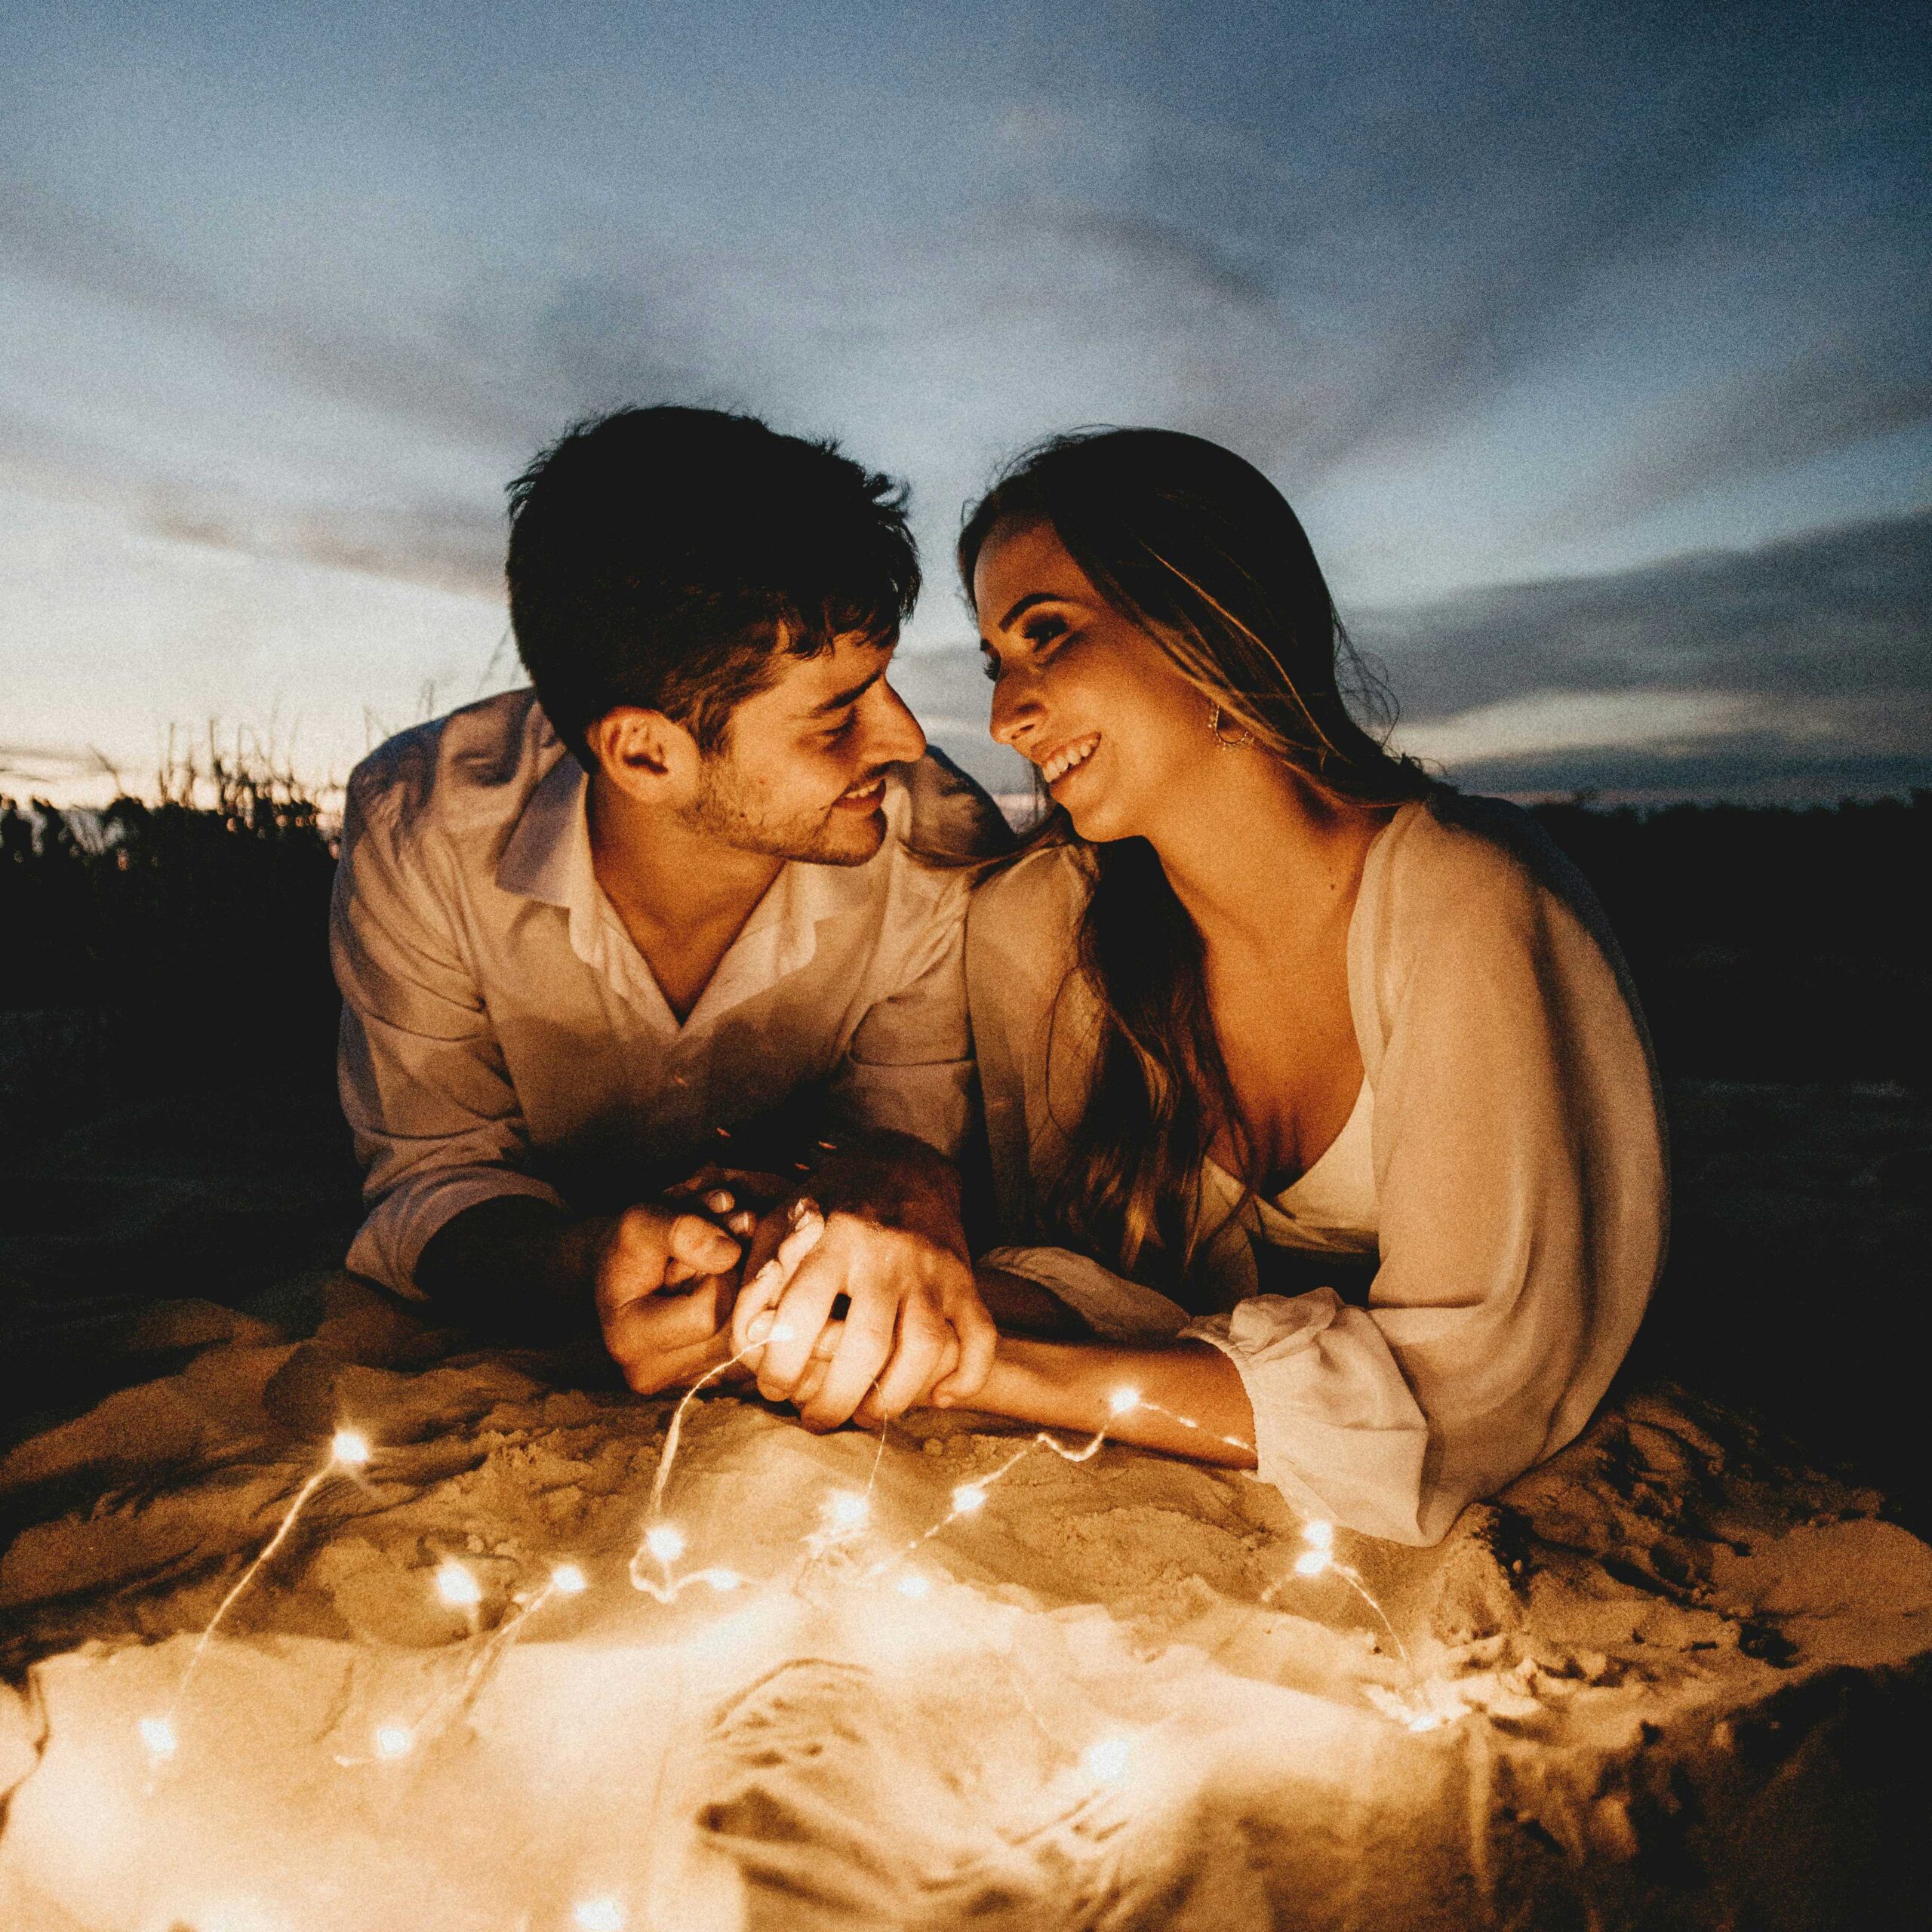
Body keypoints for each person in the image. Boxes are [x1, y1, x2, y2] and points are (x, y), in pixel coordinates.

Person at [746, 426, 1663, 1546]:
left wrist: (992, 1368)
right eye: (997, 664)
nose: (1005, 718)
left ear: (1211, 623)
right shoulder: (1040, 927)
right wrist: (846, 1284)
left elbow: (1471, 1388)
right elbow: (1088, 1279)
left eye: (1050, 639)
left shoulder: (1466, 899)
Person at [331, 406, 1008, 1417]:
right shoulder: (422, 832)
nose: (905, 739)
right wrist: (589, 1263)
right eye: (837, 716)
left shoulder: (934, 848)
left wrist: (902, 1188)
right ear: (646, 753)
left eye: (886, 684)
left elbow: (908, 1147)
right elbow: (429, 1182)